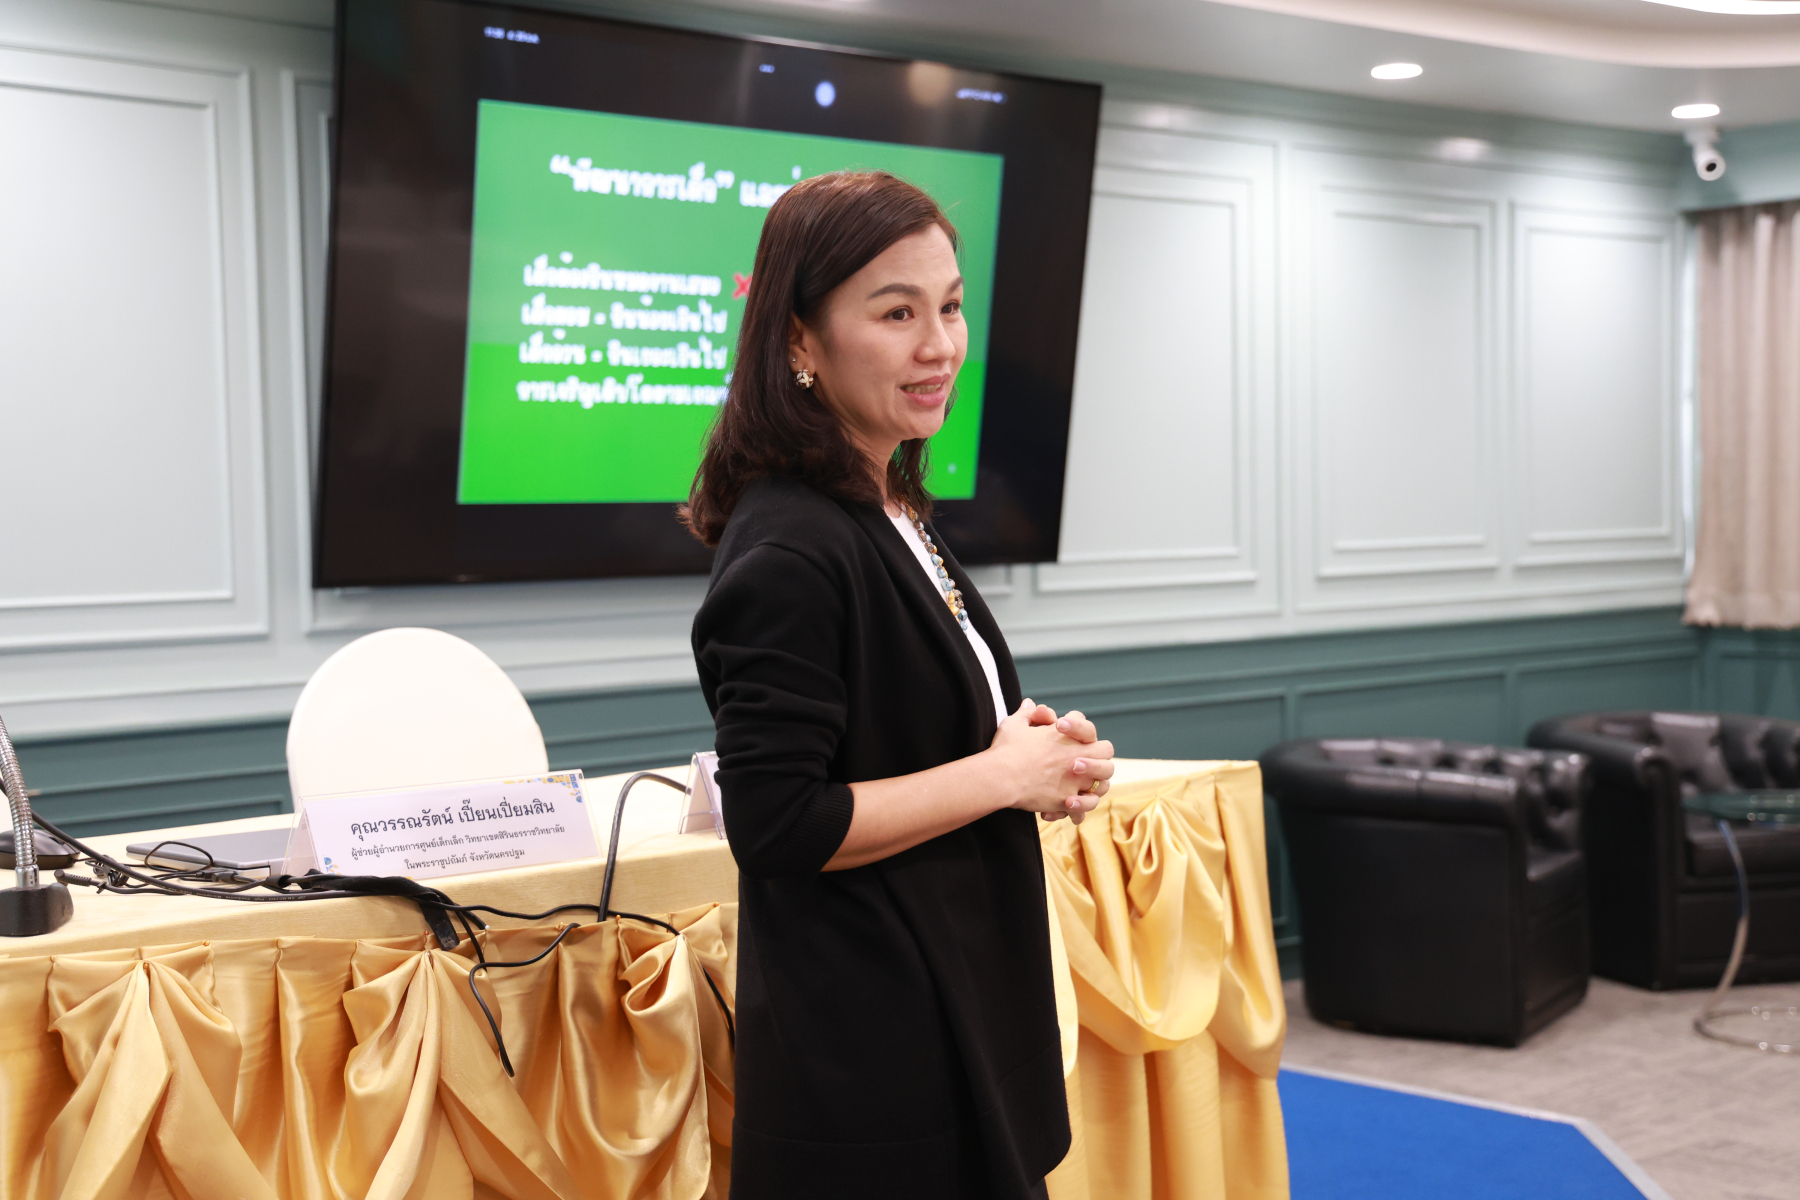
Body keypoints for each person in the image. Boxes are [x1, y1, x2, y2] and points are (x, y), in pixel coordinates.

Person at [684, 170, 1115, 1200]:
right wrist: (999, 777)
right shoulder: (790, 548)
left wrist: (1032, 760)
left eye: (951, 307)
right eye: (896, 313)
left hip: (955, 1008)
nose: (941, 345)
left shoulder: (887, 506)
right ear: (799, 340)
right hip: (874, 1057)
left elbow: (905, 739)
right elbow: (780, 824)